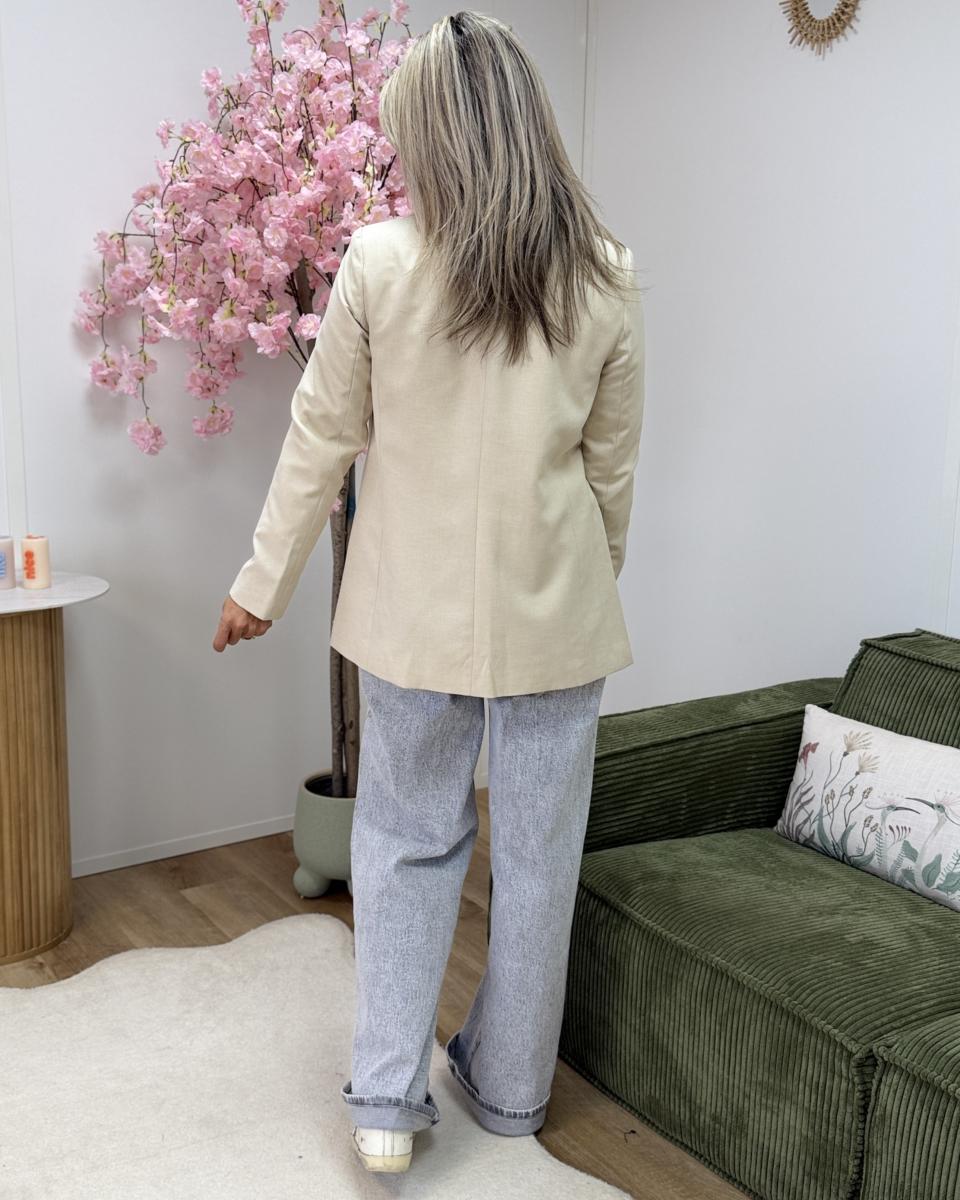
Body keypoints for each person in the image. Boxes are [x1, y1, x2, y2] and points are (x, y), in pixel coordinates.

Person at [212, 9, 645, 1176]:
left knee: (404, 843)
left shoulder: (380, 262)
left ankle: (387, 1106)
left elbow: (321, 437)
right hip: (560, 615)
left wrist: (262, 583)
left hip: (408, 616)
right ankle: (511, 1093)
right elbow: (610, 475)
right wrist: (583, 584)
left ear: (436, 134)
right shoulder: (607, 271)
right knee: (542, 862)